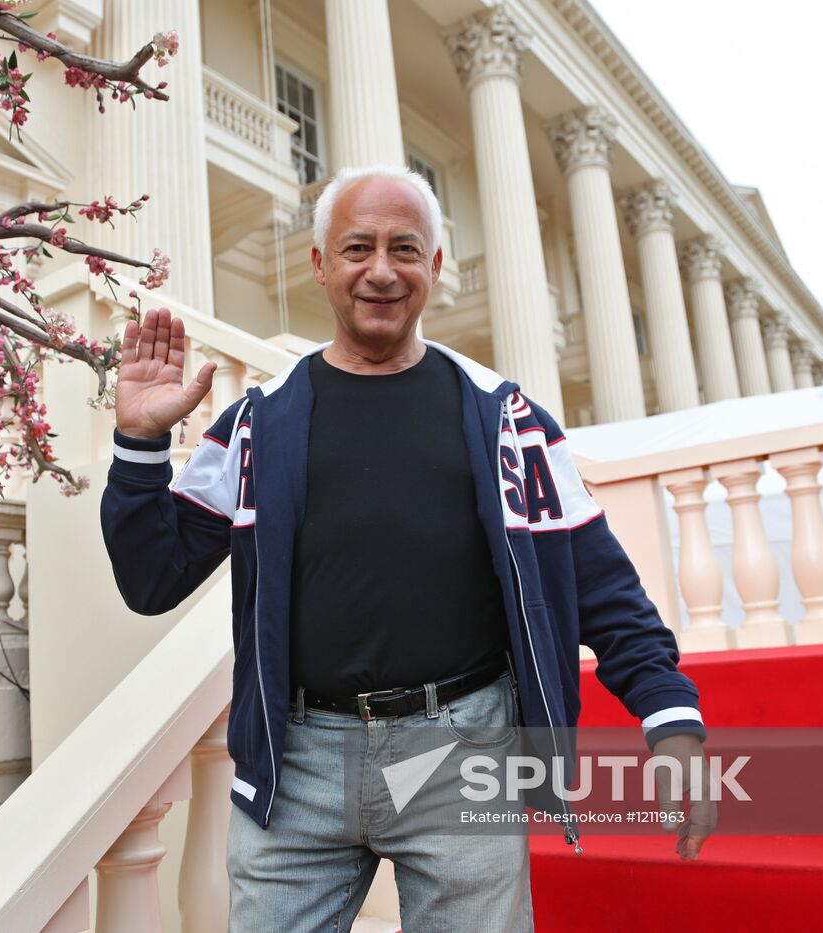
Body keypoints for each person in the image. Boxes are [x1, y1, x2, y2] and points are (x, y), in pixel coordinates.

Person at [100, 164, 715, 932]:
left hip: (462, 748)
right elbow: (151, 578)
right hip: (295, 763)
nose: (381, 271)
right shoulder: (260, 422)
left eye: (405, 248)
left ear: (436, 266)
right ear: (320, 264)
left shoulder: (506, 420)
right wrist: (138, 445)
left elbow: (601, 585)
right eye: (357, 248)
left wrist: (670, 715)